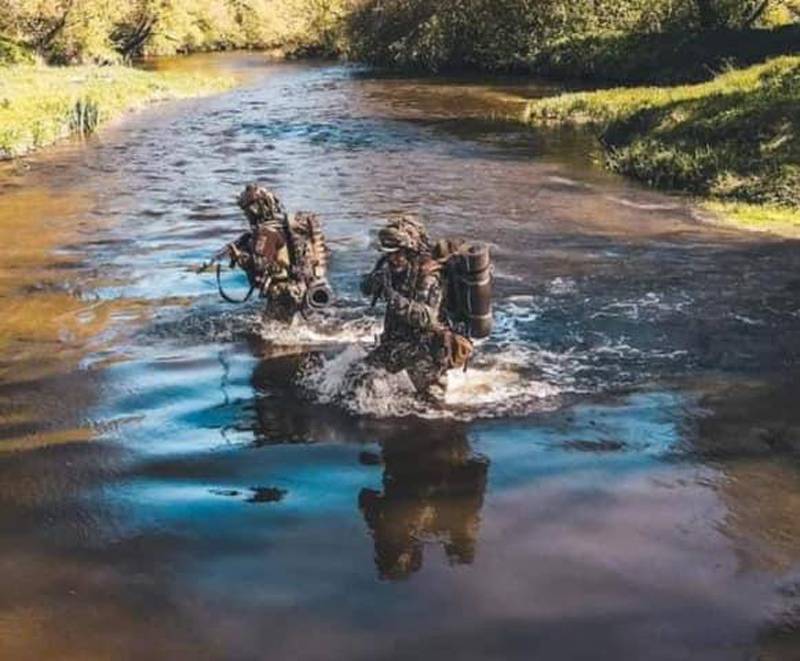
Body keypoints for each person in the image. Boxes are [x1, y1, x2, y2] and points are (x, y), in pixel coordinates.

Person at [358, 216, 473, 401]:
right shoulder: (389, 266)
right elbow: (364, 289)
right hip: (396, 345)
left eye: (397, 253)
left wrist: (391, 296)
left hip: (425, 350)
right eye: (389, 253)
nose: (392, 258)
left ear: (410, 251)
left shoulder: (428, 276)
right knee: (357, 380)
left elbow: (426, 317)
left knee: (432, 406)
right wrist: (374, 281)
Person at [207, 184, 332, 322]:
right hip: (300, 288)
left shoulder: (265, 232)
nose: (247, 215)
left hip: (283, 292)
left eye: (247, 211)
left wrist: (239, 258)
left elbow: (260, 265)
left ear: (254, 209)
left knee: (272, 337)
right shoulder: (281, 227)